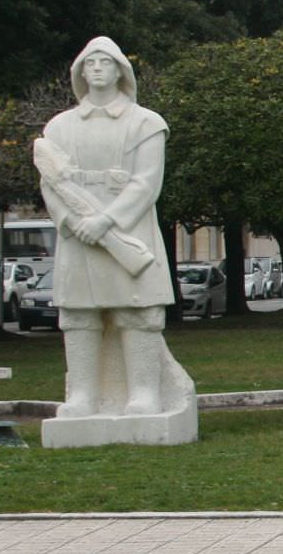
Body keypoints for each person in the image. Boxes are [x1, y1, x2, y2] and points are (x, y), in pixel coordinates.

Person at [35, 36, 178, 417]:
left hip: (128, 231)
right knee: (80, 314)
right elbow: (50, 184)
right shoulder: (59, 127)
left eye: (105, 62)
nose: (96, 68)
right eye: (89, 63)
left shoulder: (146, 123)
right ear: (80, 72)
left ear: (120, 71)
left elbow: (146, 183)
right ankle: (83, 396)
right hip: (78, 236)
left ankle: (144, 394)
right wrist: (70, 221)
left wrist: (106, 221)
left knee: (139, 313)